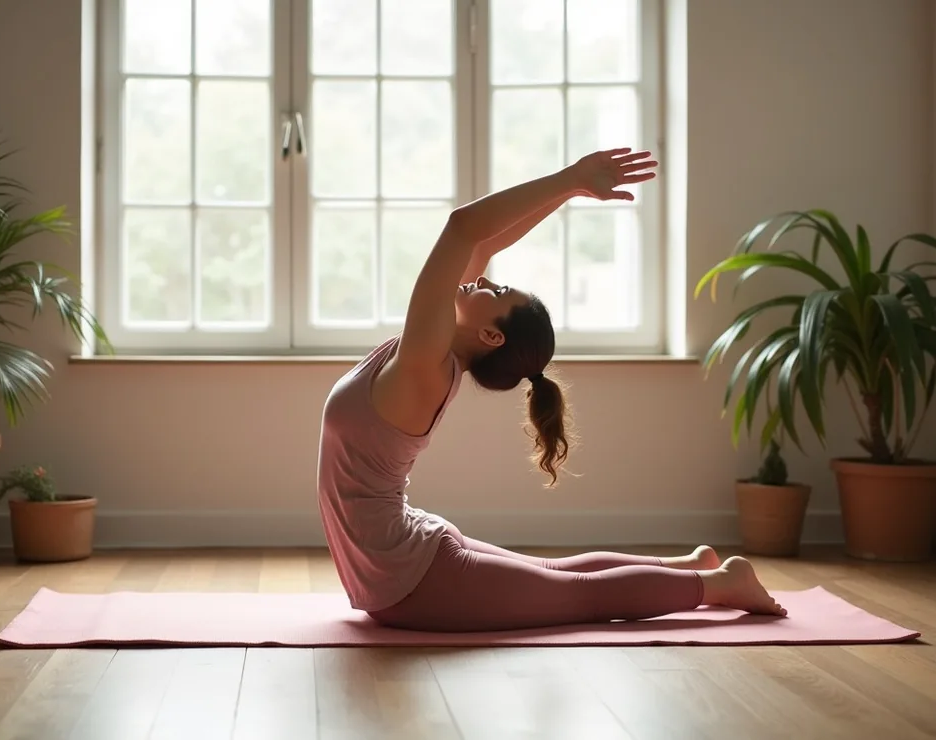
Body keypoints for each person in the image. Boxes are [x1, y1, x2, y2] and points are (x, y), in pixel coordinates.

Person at [316, 147, 787, 632]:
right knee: (556, 576)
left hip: (407, 575)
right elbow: (481, 246)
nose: (481, 280)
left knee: (580, 596)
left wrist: (569, 178)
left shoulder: (422, 365)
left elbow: (464, 229)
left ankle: (720, 584)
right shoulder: (426, 354)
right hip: (403, 551)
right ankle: (690, 566)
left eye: (496, 293)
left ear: (492, 336)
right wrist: (570, 189)